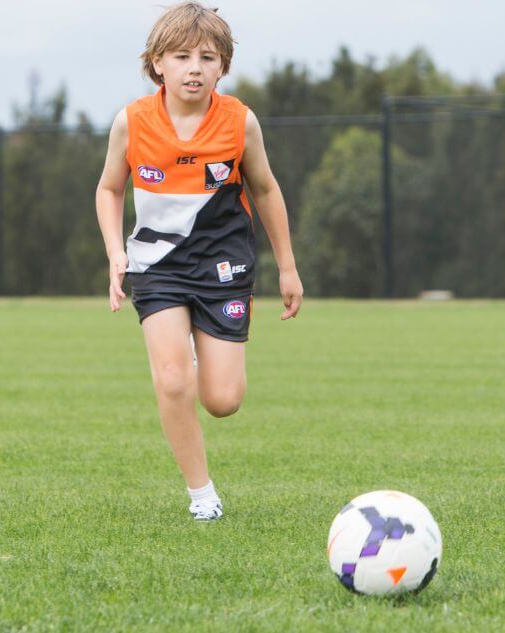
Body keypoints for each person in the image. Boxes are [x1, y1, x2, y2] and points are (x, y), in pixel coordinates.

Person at [95, 2, 302, 521]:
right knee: (172, 379)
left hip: (223, 264)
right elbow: (108, 188)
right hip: (157, 265)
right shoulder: (132, 121)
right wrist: (116, 251)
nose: (194, 67)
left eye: (207, 57)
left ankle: (194, 343)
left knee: (223, 400)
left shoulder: (240, 123)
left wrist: (289, 267)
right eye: (181, 55)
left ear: (223, 67)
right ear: (157, 63)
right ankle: (202, 496)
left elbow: (267, 189)